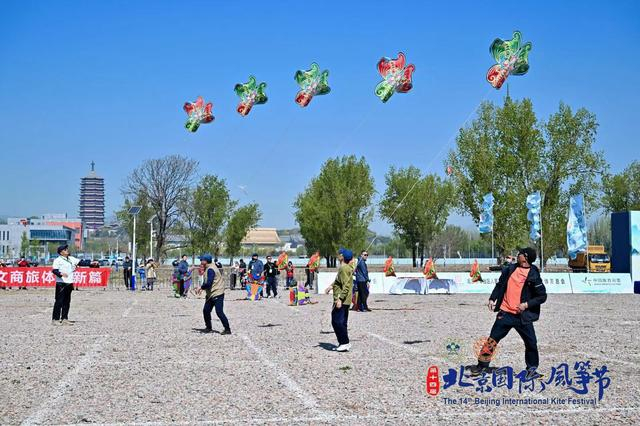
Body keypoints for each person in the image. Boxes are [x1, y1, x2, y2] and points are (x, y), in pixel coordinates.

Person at [469, 247, 547, 376]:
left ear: (525, 258)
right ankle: (481, 366)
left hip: (522, 316)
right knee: (492, 340)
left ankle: (531, 370)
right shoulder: (510, 269)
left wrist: (526, 305)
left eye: (520, 253)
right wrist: (492, 298)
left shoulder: (534, 274)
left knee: (531, 343)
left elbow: (542, 296)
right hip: (505, 313)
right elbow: (500, 285)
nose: (518, 255)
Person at [325, 248, 354, 352]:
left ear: (342, 257)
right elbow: (340, 281)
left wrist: (340, 299)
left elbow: (346, 285)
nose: (337, 255)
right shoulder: (346, 268)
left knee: (336, 321)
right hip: (345, 299)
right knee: (342, 321)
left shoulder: (344, 269)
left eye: (339, 254)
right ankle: (343, 343)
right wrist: (331, 286)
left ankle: (344, 342)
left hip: (342, 299)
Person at [199, 254, 231, 334]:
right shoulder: (209, 267)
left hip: (217, 293)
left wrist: (201, 288)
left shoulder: (210, 269)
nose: (200, 261)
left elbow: (209, 283)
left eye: (201, 260)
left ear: (205, 261)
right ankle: (208, 327)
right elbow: (207, 281)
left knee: (219, 312)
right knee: (206, 310)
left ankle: (227, 329)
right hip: (211, 294)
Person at [51, 244, 80, 325]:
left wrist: (92, 262)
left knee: (67, 302)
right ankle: (55, 319)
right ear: (61, 252)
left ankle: (64, 319)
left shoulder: (71, 259)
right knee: (59, 301)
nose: (67, 250)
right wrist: (60, 274)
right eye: (65, 249)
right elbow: (54, 270)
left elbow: (81, 262)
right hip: (61, 283)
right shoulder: (57, 260)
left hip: (69, 283)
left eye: (67, 249)